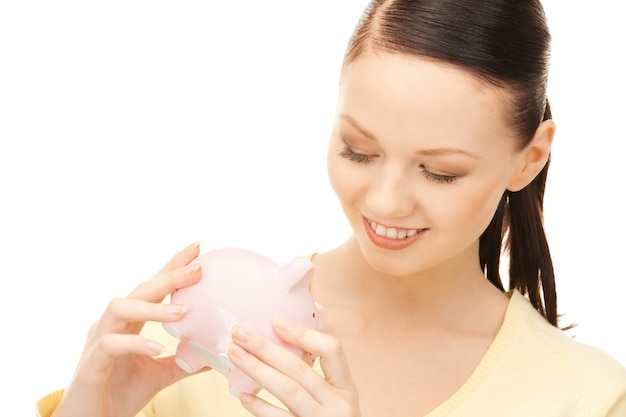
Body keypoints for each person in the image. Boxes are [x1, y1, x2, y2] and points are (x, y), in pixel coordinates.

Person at [38, 0, 626, 416]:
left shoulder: (587, 397)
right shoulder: (200, 338)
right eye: (359, 151)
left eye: (440, 170)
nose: (386, 201)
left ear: (530, 158)